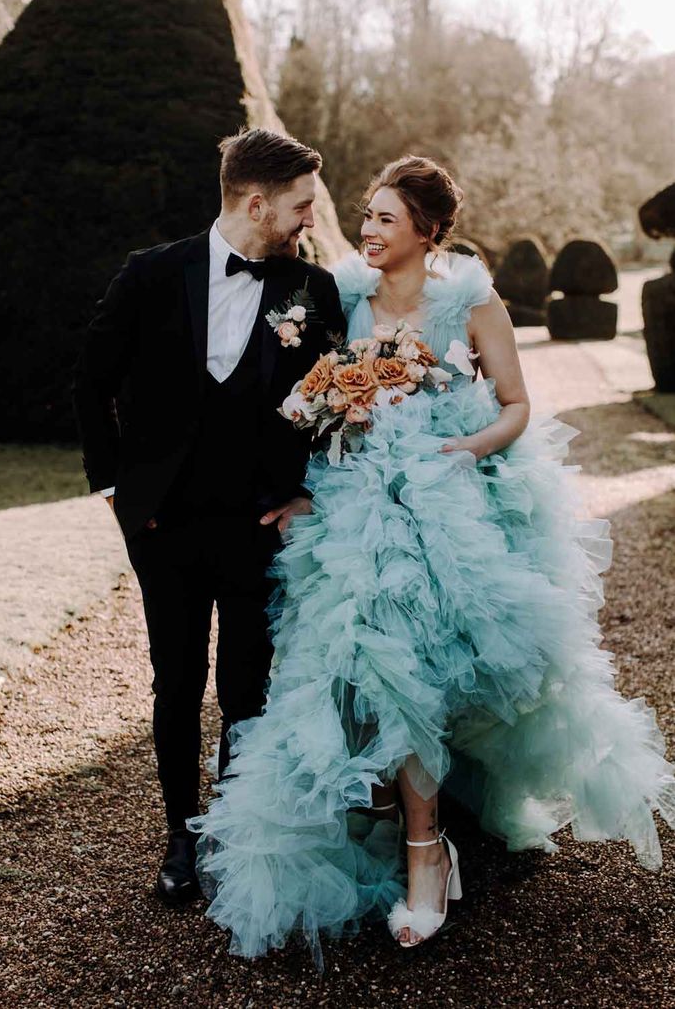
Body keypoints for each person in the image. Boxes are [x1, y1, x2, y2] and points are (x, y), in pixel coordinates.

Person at [192, 155, 675, 959]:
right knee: (353, 665)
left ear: (426, 229)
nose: (370, 230)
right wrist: (323, 416)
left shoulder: (469, 300)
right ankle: (394, 818)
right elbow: (307, 390)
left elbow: (518, 404)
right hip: (353, 502)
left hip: (453, 501)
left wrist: (466, 447)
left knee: (430, 666)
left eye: (385, 217)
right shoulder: (338, 295)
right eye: (367, 215)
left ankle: (429, 847)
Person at [72, 128, 346, 905]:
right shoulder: (151, 275)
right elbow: (92, 381)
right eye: (298, 206)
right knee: (176, 680)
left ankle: (232, 830)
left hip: (261, 525)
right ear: (256, 203)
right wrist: (114, 491)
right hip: (163, 527)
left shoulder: (313, 292)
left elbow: (339, 408)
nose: (306, 221)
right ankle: (178, 835)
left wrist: (307, 496)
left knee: (247, 688)